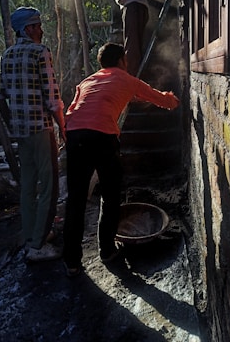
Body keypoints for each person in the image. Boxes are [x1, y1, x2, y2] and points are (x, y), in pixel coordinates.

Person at [63, 42, 179, 277]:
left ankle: (72, 262)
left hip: (75, 136)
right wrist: (175, 100)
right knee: (110, 194)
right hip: (102, 138)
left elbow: (77, 108)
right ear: (121, 61)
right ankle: (106, 251)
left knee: (75, 201)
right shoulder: (127, 79)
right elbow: (160, 100)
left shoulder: (87, 82)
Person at [0, 7, 66, 262]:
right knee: (49, 186)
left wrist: (11, 123)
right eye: (36, 25)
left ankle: (33, 235)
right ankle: (37, 246)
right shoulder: (39, 52)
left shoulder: (6, 55)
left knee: (28, 184)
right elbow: (52, 98)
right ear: (27, 29)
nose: (41, 29)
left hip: (22, 132)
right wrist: (63, 127)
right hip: (41, 129)